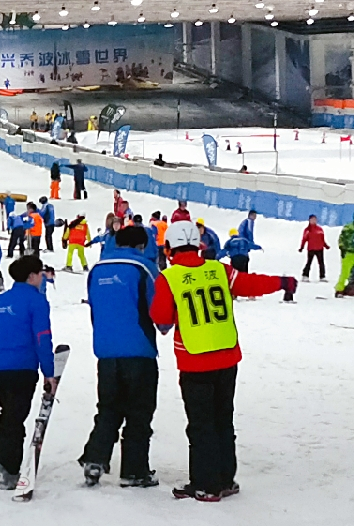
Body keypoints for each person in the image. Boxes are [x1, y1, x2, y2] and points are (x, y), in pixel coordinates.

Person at [148, 211, 292, 501]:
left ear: (169, 249)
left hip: (195, 359)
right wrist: (281, 282)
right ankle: (226, 479)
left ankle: (205, 484)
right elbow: (250, 283)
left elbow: (160, 316)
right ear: (199, 245)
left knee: (201, 424)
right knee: (223, 419)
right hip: (227, 356)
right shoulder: (219, 270)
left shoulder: (169, 277)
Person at [79, 224, 160, 488]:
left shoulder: (97, 269)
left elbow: (94, 310)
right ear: (141, 245)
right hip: (139, 350)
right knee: (139, 411)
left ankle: (95, 458)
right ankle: (134, 471)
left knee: (108, 408)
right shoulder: (144, 268)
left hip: (105, 350)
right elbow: (156, 309)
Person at [0, 253, 57, 488]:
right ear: (32, 276)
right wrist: (49, 372)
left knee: (8, 414)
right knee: (14, 417)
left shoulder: (0, 301)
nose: (43, 277)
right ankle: (8, 468)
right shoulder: (36, 301)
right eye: (40, 273)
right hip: (20, 367)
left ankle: (3, 464)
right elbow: (42, 337)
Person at [299, 216, 327, 280]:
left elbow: (322, 239)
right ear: (309, 220)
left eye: (315, 220)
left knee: (321, 263)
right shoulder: (307, 230)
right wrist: (301, 247)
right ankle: (305, 275)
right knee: (309, 262)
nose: (313, 221)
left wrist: (325, 245)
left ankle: (322, 276)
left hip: (319, 249)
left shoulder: (320, 229)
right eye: (312, 220)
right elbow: (304, 239)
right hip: (311, 249)